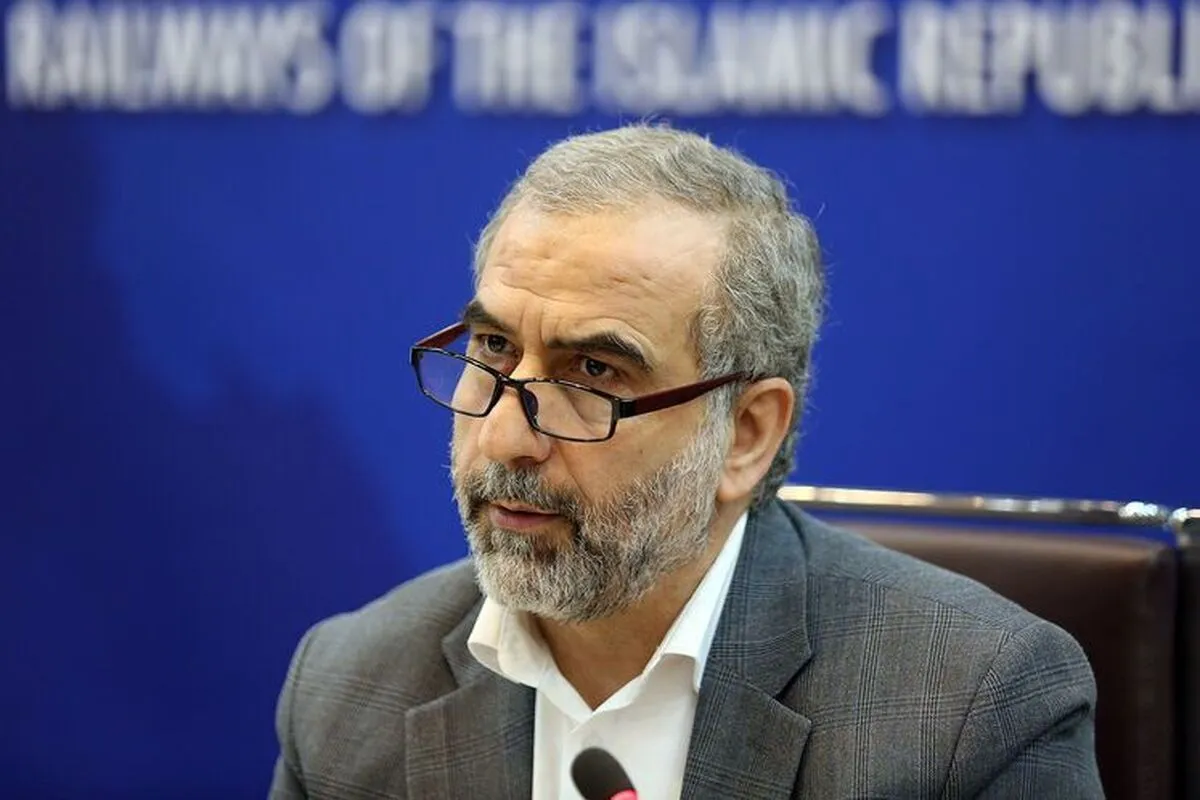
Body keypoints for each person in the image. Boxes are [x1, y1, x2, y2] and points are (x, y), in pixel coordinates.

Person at [267, 124, 1103, 799]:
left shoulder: (967, 711)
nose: (505, 438)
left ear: (746, 435)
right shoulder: (349, 689)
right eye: (492, 348)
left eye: (593, 373)